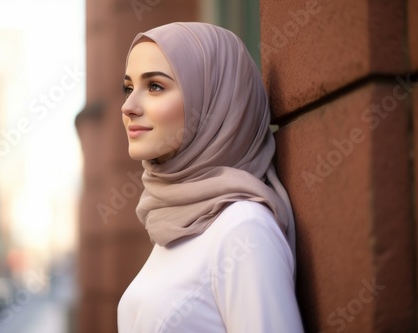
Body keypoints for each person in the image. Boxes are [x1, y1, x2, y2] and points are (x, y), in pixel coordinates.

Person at [118, 22, 304, 333]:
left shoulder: (243, 229)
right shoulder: (174, 221)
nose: (128, 106)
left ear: (213, 103)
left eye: (154, 86)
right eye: (128, 87)